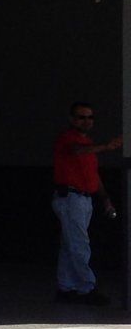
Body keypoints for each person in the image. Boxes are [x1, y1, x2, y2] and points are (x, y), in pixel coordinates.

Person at [51, 101, 121, 305]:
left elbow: (93, 174)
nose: (87, 121)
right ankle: (86, 287)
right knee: (79, 244)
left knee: (70, 244)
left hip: (84, 198)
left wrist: (105, 198)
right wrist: (106, 146)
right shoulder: (67, 139)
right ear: (72, 119)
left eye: (90, 117)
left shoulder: (88, 145)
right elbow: (76, 151)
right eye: (81, 117)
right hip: (70, 197)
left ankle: (66, 287)